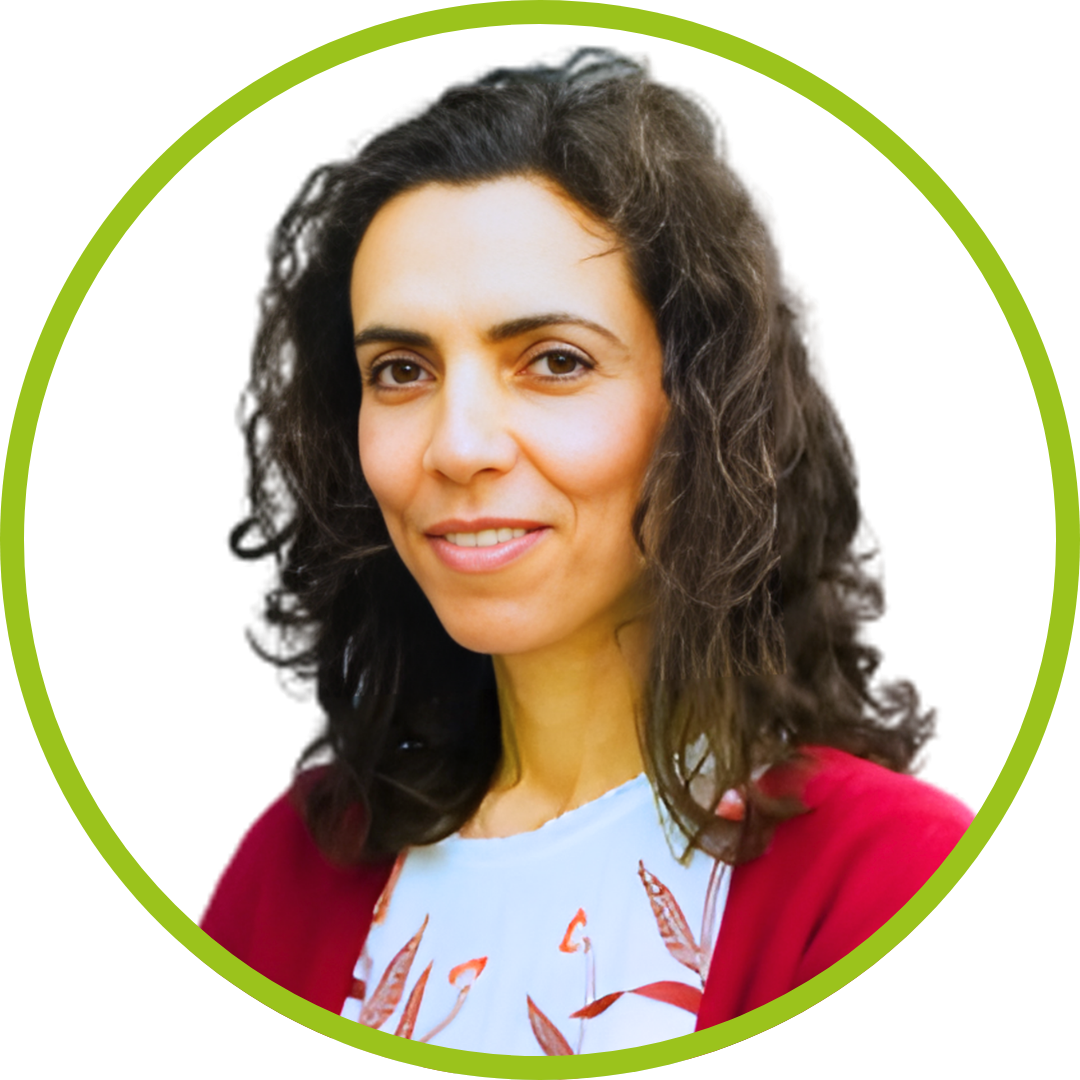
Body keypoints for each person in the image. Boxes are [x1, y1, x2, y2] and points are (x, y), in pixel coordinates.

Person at [202, 49, 972, 1055]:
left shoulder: (891, 879)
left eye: (554, 362)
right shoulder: (296, 866)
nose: (457, 446)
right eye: (400, 370)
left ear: (706, 412)